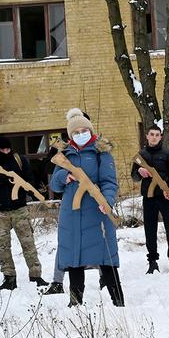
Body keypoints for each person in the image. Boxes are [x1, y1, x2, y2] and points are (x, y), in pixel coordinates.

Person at [49, 109, 124, 306]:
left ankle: (119, 303)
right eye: (76, 131)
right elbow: (54, 185)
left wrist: (106, 201)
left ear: (90, 131)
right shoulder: (64, 154)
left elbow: (110, 182)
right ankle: (75, 305)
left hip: (97, 213)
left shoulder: (101, 152)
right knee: (75, 262)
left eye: (84, 130)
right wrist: (64, 177)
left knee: (106, 258)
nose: (81, 134)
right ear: (70, 135)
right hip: (71, 216)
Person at [0, 136, 48, 292]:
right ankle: (9, 278)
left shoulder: (20, 160)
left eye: (8, 149)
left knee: (28, 243)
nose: (6, 152)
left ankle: (36, 276)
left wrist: (28, 188)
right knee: (3, 246)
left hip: (19, 208)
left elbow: (30, 180)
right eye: (2, 150)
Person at [131, 125, 169, 274]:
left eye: (157, 135)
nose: (154, 137)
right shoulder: (141, 155)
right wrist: (139, 171)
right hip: (149, 198)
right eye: (151, 134)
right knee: (150, 231)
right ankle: (152, 262)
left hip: (166, 196)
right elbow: (134, 176)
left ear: (161, 137)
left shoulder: (168, 154)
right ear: (146, 136)